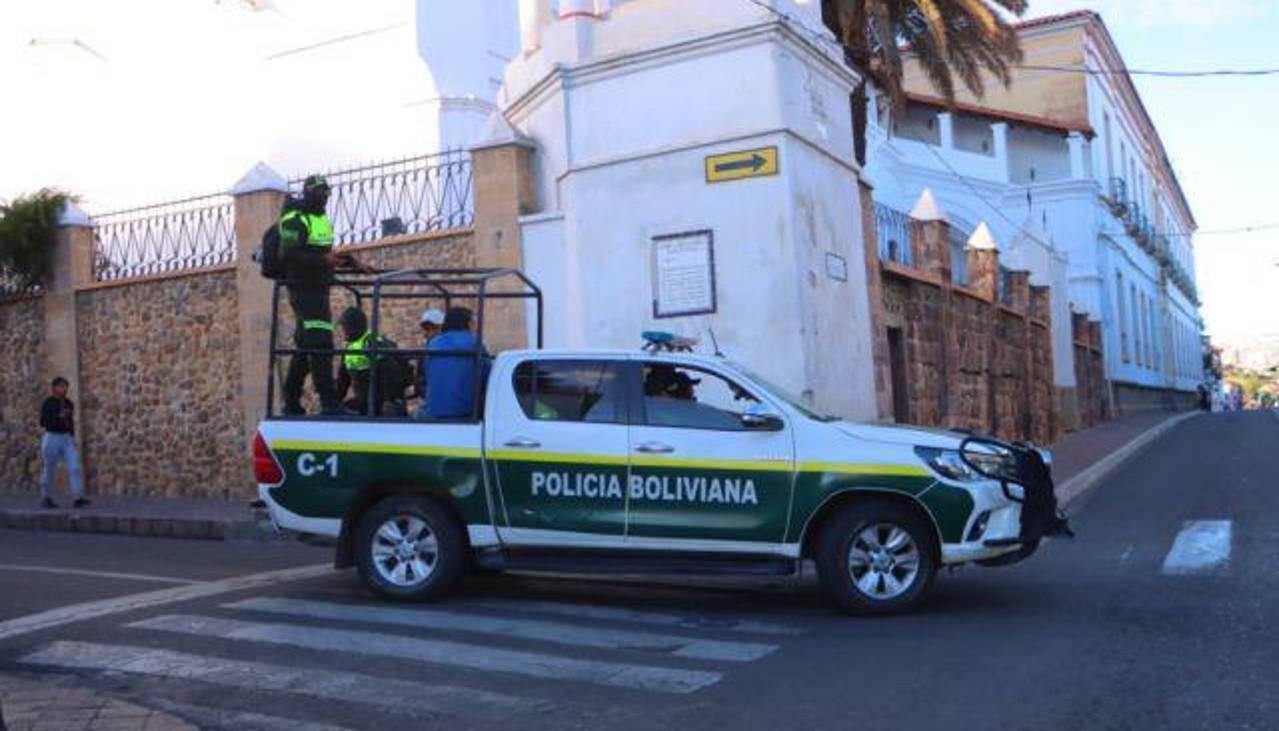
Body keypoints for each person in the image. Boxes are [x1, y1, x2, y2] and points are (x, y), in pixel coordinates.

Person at [278, 174, 362, 416]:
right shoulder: (295, 219)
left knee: (306, 346)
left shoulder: (321, 218)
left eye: (326, 192)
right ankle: (329, 402)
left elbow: (324, 252)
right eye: (318, 192)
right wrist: (323, 260)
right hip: (302, 289)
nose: (323, 196)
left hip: (319, 287)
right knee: (320, 343)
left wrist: (351, 263)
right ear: (307, 192)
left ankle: (291, 402)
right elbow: (288, 255)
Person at [335, 307, 408, 416]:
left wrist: (388, 400)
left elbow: (391, 370)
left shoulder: (371, 342)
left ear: (353, 326)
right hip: (364, 400)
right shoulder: (349, 348)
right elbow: (343, 379)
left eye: (345, 326)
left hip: (382, 400)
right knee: (340, 412)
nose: (343, 330)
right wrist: (334, 401)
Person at [423, 307, 489, 419]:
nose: (474, 326)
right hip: (464, 412)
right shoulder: (473, 342)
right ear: (466, 323)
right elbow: (487, 374)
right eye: (472, 323)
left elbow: (427, 372)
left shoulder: (433, 343)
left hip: (433, 411)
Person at [38, 377, 88, 509]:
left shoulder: (69, 403)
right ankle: (46, 497)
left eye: (65, 386)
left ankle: (78, 497)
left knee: (75, 467)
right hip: (52, 437)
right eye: (61, 386)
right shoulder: (48, 403)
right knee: (49, 468)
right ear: (54, 388)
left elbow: (70, 422)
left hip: (66, 438)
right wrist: (57, 417)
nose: (64, 389)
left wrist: (73, 437)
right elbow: (43, 422)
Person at [413, 308, 445, 419]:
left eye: (433, 328)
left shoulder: (434, 351)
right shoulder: (425, 352)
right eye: (426, 329)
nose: (428, 333)